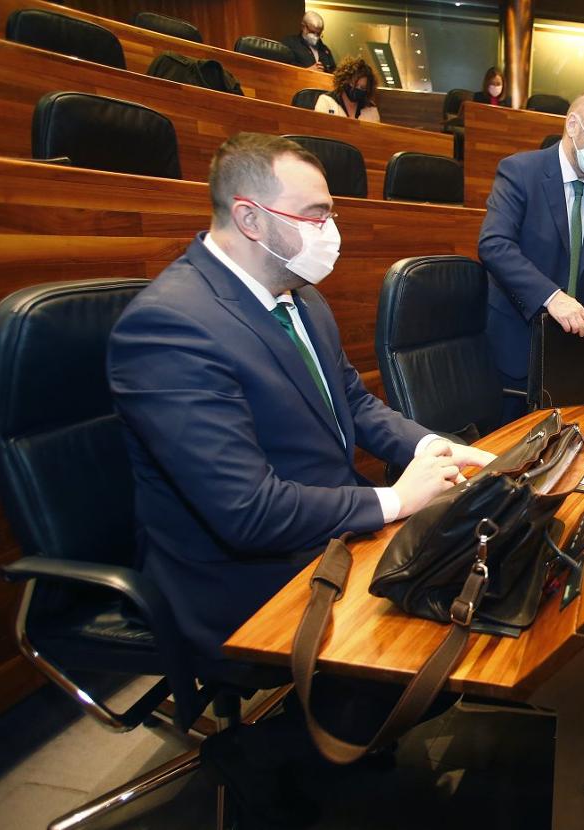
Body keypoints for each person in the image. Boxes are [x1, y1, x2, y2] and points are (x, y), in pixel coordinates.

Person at [108, 133, 493, 662]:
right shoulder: (168, 327)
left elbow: (353, 404)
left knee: (480, 571)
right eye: (315, 216)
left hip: (325, 532)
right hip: (240, 578)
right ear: (250, 219)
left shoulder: (302, 297)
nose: (329, 232)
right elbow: (247, 511)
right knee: (429, 647)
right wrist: (396, 501)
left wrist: (435, 446)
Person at [478, 91, 584, 422]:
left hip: (573, 349)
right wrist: (551, 297)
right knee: (504, 453)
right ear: (573, 125)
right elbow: (494, 244)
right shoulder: (520, 171)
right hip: (517, 343)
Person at [314, 58, 380, 122]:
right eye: (354, 84)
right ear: (344, 81)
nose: (357, 89)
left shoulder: (371, 109)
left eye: (362, 88)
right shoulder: (326, 101)